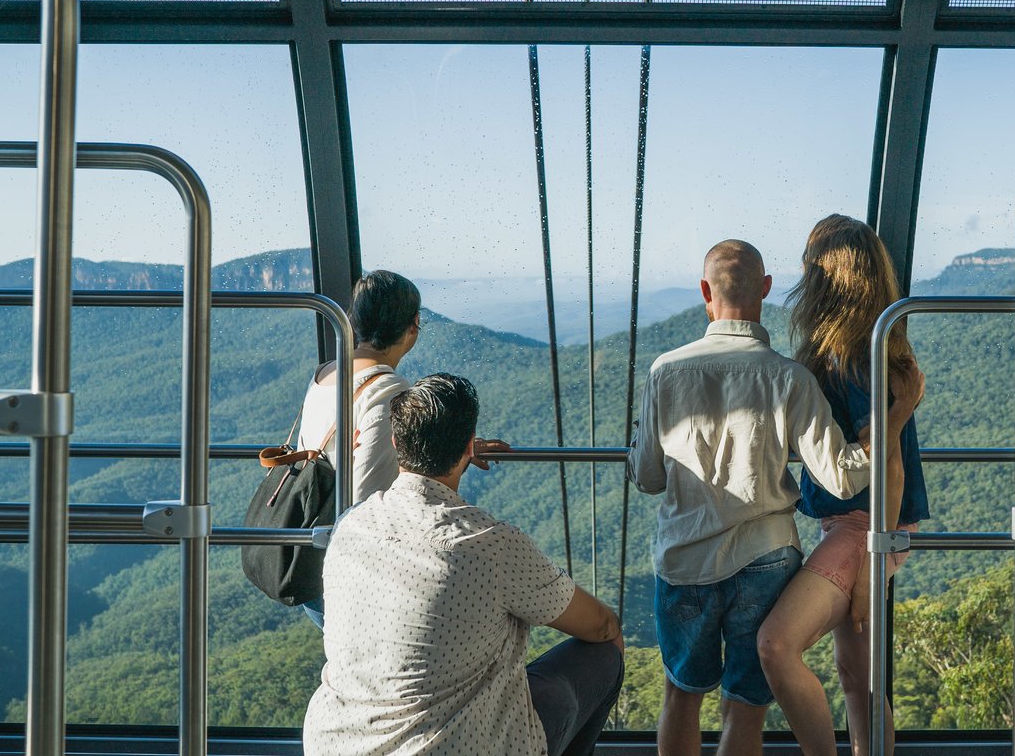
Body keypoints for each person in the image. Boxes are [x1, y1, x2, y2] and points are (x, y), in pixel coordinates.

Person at [626, 239, 888, 756]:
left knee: (681, 696)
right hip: (766, 557)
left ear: (704, 291)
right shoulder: (790, 377)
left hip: (685, 559)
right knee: (746, 704)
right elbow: (838, 477)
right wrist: (883, 436)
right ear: (766, 290)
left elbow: (649, 478)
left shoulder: (666, 371)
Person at [303, 373, 624, 756]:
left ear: (395, 442)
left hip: (337, 743)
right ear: (470, 447)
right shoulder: (490, 544)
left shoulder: (350, 526)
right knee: (605, 654)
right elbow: (602, 625)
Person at [757, 215, 927, 756]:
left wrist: (868, 573)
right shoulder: (853, 351)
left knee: (776, 644)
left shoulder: (857, 360)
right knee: (858, 679)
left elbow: (890, 466)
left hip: (867, 528)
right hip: (855, 525)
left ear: (826, 278)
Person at [296, 269, 506, 627]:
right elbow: (366, 498)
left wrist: (455, 447)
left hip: (312, 554)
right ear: (413, 327)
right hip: (350, 575)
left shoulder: (326, 374)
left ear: (352, 318)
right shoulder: (387, 391)